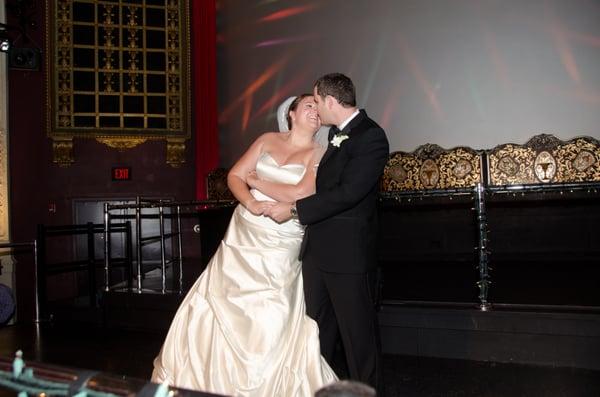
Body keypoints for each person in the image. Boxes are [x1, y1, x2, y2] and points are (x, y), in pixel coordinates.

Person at [151, 94, 338, 396]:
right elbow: (235, 175)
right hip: (244, 232)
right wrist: (250, 201)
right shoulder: (266, 139)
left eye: (318, 108)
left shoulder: (320, 152)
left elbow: (302, 192)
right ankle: (211, 374)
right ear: (291, 113)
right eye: (308, 106)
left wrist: (259, 183)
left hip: (283, 235)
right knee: (224, 296)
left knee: (273, 305)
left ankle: (266, 379)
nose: (315, 112)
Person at [265, 73, 390, 391]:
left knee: (358, 336)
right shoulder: (333, 135)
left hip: (348, 255)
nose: (316, 107)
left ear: (331, 101)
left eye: (317, 100)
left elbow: (349, 193)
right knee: (318, 334)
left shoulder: (370, 136)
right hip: (317, 252)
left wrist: (294, 210)